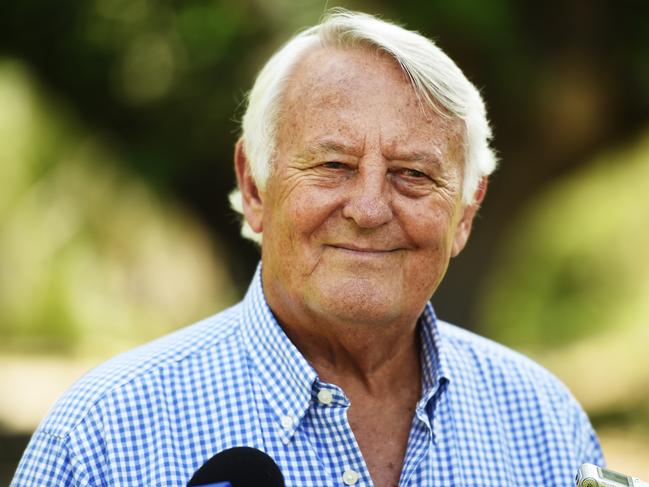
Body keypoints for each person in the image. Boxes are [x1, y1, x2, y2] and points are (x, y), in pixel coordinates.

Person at [12, 9, 604, 486]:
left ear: (467, 210)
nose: (370, 209)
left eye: (414, 175)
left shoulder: (545, 422)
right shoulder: (104, 437)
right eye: (332, 165)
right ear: (254, 187)